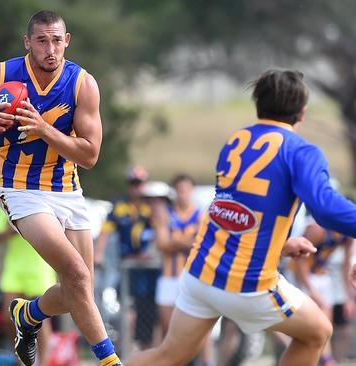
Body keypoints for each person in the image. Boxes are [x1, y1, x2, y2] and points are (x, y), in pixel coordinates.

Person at [127, 69, 356, 366]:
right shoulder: (301, 151)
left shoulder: (236, 141)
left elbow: (239, 213)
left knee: (168, 355)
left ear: (258, 103)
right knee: (317, 333)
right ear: (302, 111)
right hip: (247, 283)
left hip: (201, 272)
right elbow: (326, 208)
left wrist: (281, 245)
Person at [0, 10, 121, 366]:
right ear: (27, 42)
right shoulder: (1, 75)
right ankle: (110, 361)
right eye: (42, 41)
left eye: (57, 41)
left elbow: (90, 155)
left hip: (67, 190)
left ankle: (28, 315)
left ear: (67, 41)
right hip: (20, 189)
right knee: (75, 274)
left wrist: (45, 129)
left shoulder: (82, 83)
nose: (50, 49)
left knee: (81, 289)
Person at [94, 166, 168, 350]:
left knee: (153, 310)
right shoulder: (120, 205)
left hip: (152, 267)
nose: (137, 188)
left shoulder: (151, 206)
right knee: (127, 308)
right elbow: (105, 230)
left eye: (140, 183)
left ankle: (152, 350)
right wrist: (98, 254)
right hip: (128, 267)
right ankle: (125, 349)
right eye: (133, 183)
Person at [155, 174, 213, 365]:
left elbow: (204, 244)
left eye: (186, 190)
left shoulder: (201, 215)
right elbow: (162, 244)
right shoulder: (165, 213)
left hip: (193, 278)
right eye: (179, 190)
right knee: (167, 331)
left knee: (201, 332)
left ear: (193, 191)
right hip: (168, 278)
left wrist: (176, 242)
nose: (183, 194)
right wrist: (188, 242)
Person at [0, 206, 56, 366]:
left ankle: (44, 363)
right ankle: (24, 360)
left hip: (39, 265)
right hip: (15, 268)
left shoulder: (42, 201)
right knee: (7, 317)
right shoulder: (6, 202)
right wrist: (13, 229)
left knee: (42, 319)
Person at [291, 220, 354, 366]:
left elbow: (347, 266)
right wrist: (311, 290)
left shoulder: (349, 235)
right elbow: (298, 262)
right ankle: (326, 359)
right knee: (309, 326)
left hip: (319, 274)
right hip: (298, 275)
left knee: (326, 323)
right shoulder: (318, 229)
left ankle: (326, 359)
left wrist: (348, 298)